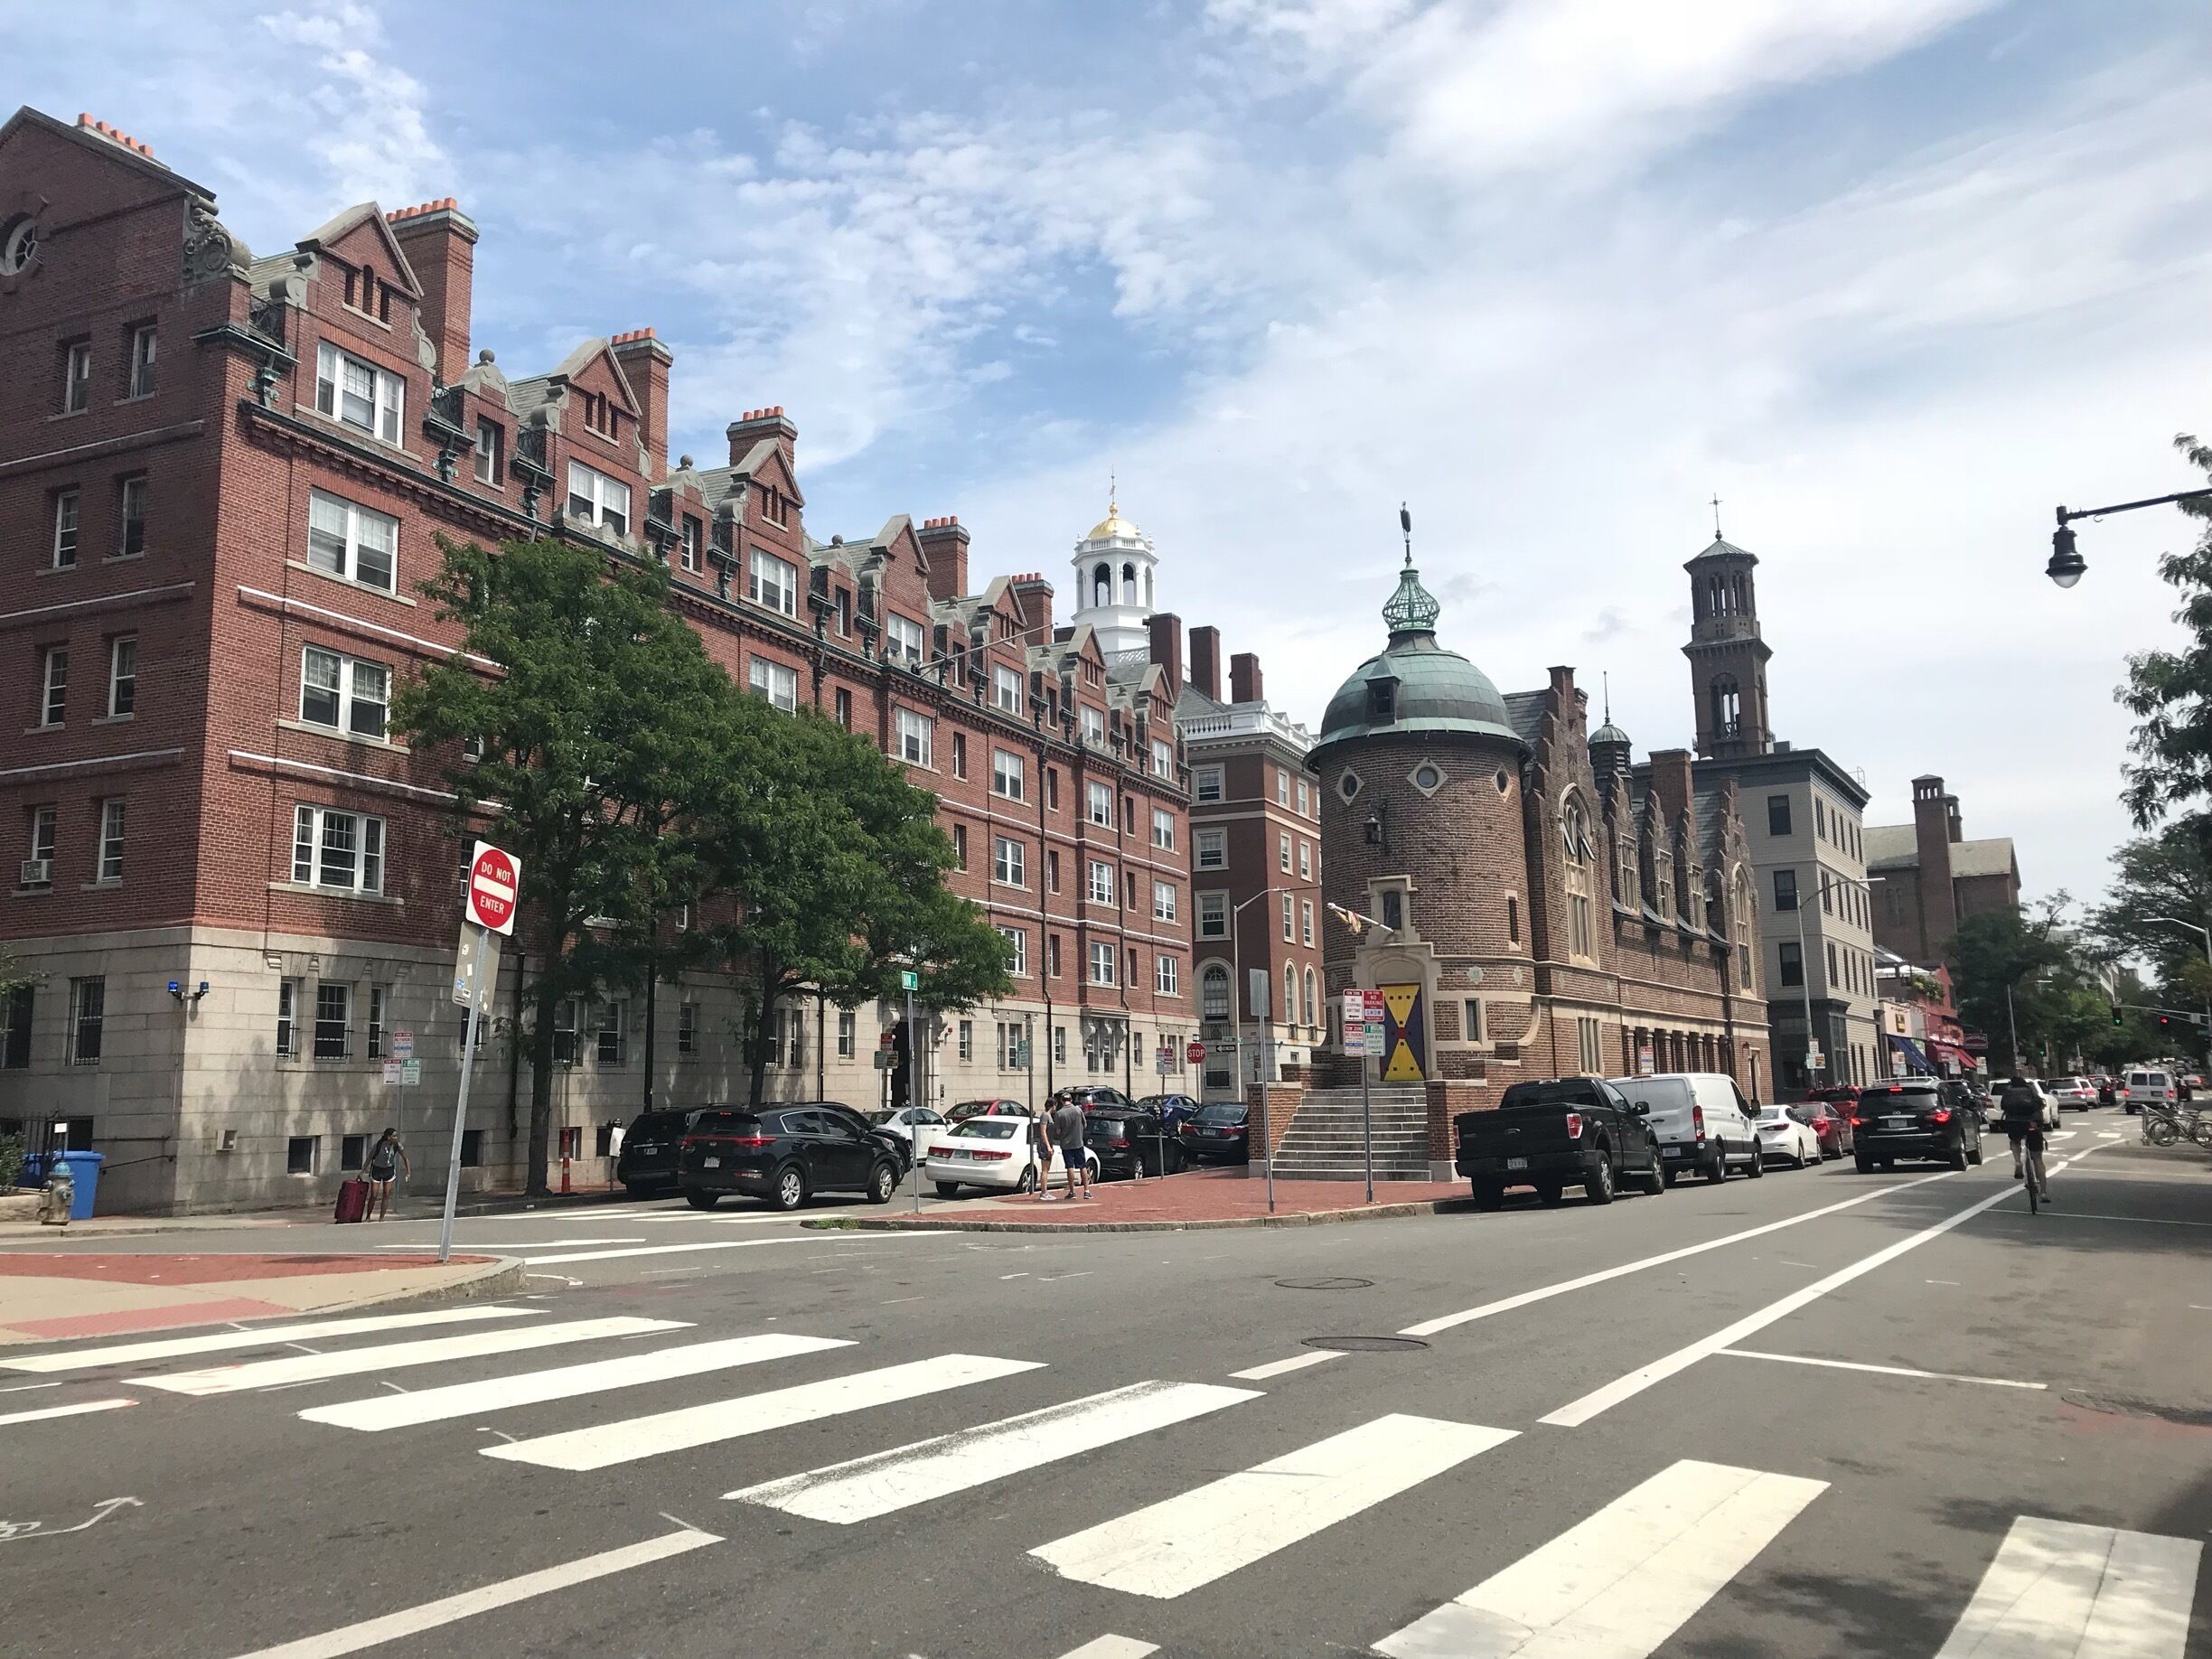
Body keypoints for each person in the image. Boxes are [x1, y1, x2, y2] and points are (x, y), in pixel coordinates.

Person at [1997, 1074, 2050, 1205]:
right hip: (2031, 1124)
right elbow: (2040, 1104)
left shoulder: (2008, 1092)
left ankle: (2017, 1162)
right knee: (2037, 1158)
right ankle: (2043, 1192)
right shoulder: (2031, 1091)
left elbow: (2003, 1106)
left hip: (2014, 1123)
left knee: (2015, 1141)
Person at [1049, 1094, 1092, 1200]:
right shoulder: (1078, 1110)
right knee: (1082, 1166)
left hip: (1066, 1144)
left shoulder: (1059, 1114)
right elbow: (1084, 1125)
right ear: (1071, 1100)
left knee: (1070, 1167)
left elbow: (1058, 1131)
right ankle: (1086, 1191)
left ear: (1062, 1101)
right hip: (1078, 1143)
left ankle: (1072, 1192)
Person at [365, 1128, 410, 1220]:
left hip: (389, 1170)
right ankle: (368, 1216)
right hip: (377, 1170)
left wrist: (408, 1172)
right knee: (374, 1194)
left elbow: (405, 1158)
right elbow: (369, 1158)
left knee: (386, 1193)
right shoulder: (378, 1145)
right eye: (394, 1136)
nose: (396, 1137)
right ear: (388, 1137)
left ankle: (381, 1218)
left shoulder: (397, 1145)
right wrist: (362, 1171)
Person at [1029, 1110, 1056, 1203]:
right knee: (1044, 1170)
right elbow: (1043, 1132)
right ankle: (1044, 1193)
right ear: (1054, 1105)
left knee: (1047, 1169)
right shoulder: (1045, 1116)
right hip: (1044, 1146)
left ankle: (1045, 1192)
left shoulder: (1049, 1116)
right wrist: (1048, 1146)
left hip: (1049, 1144)